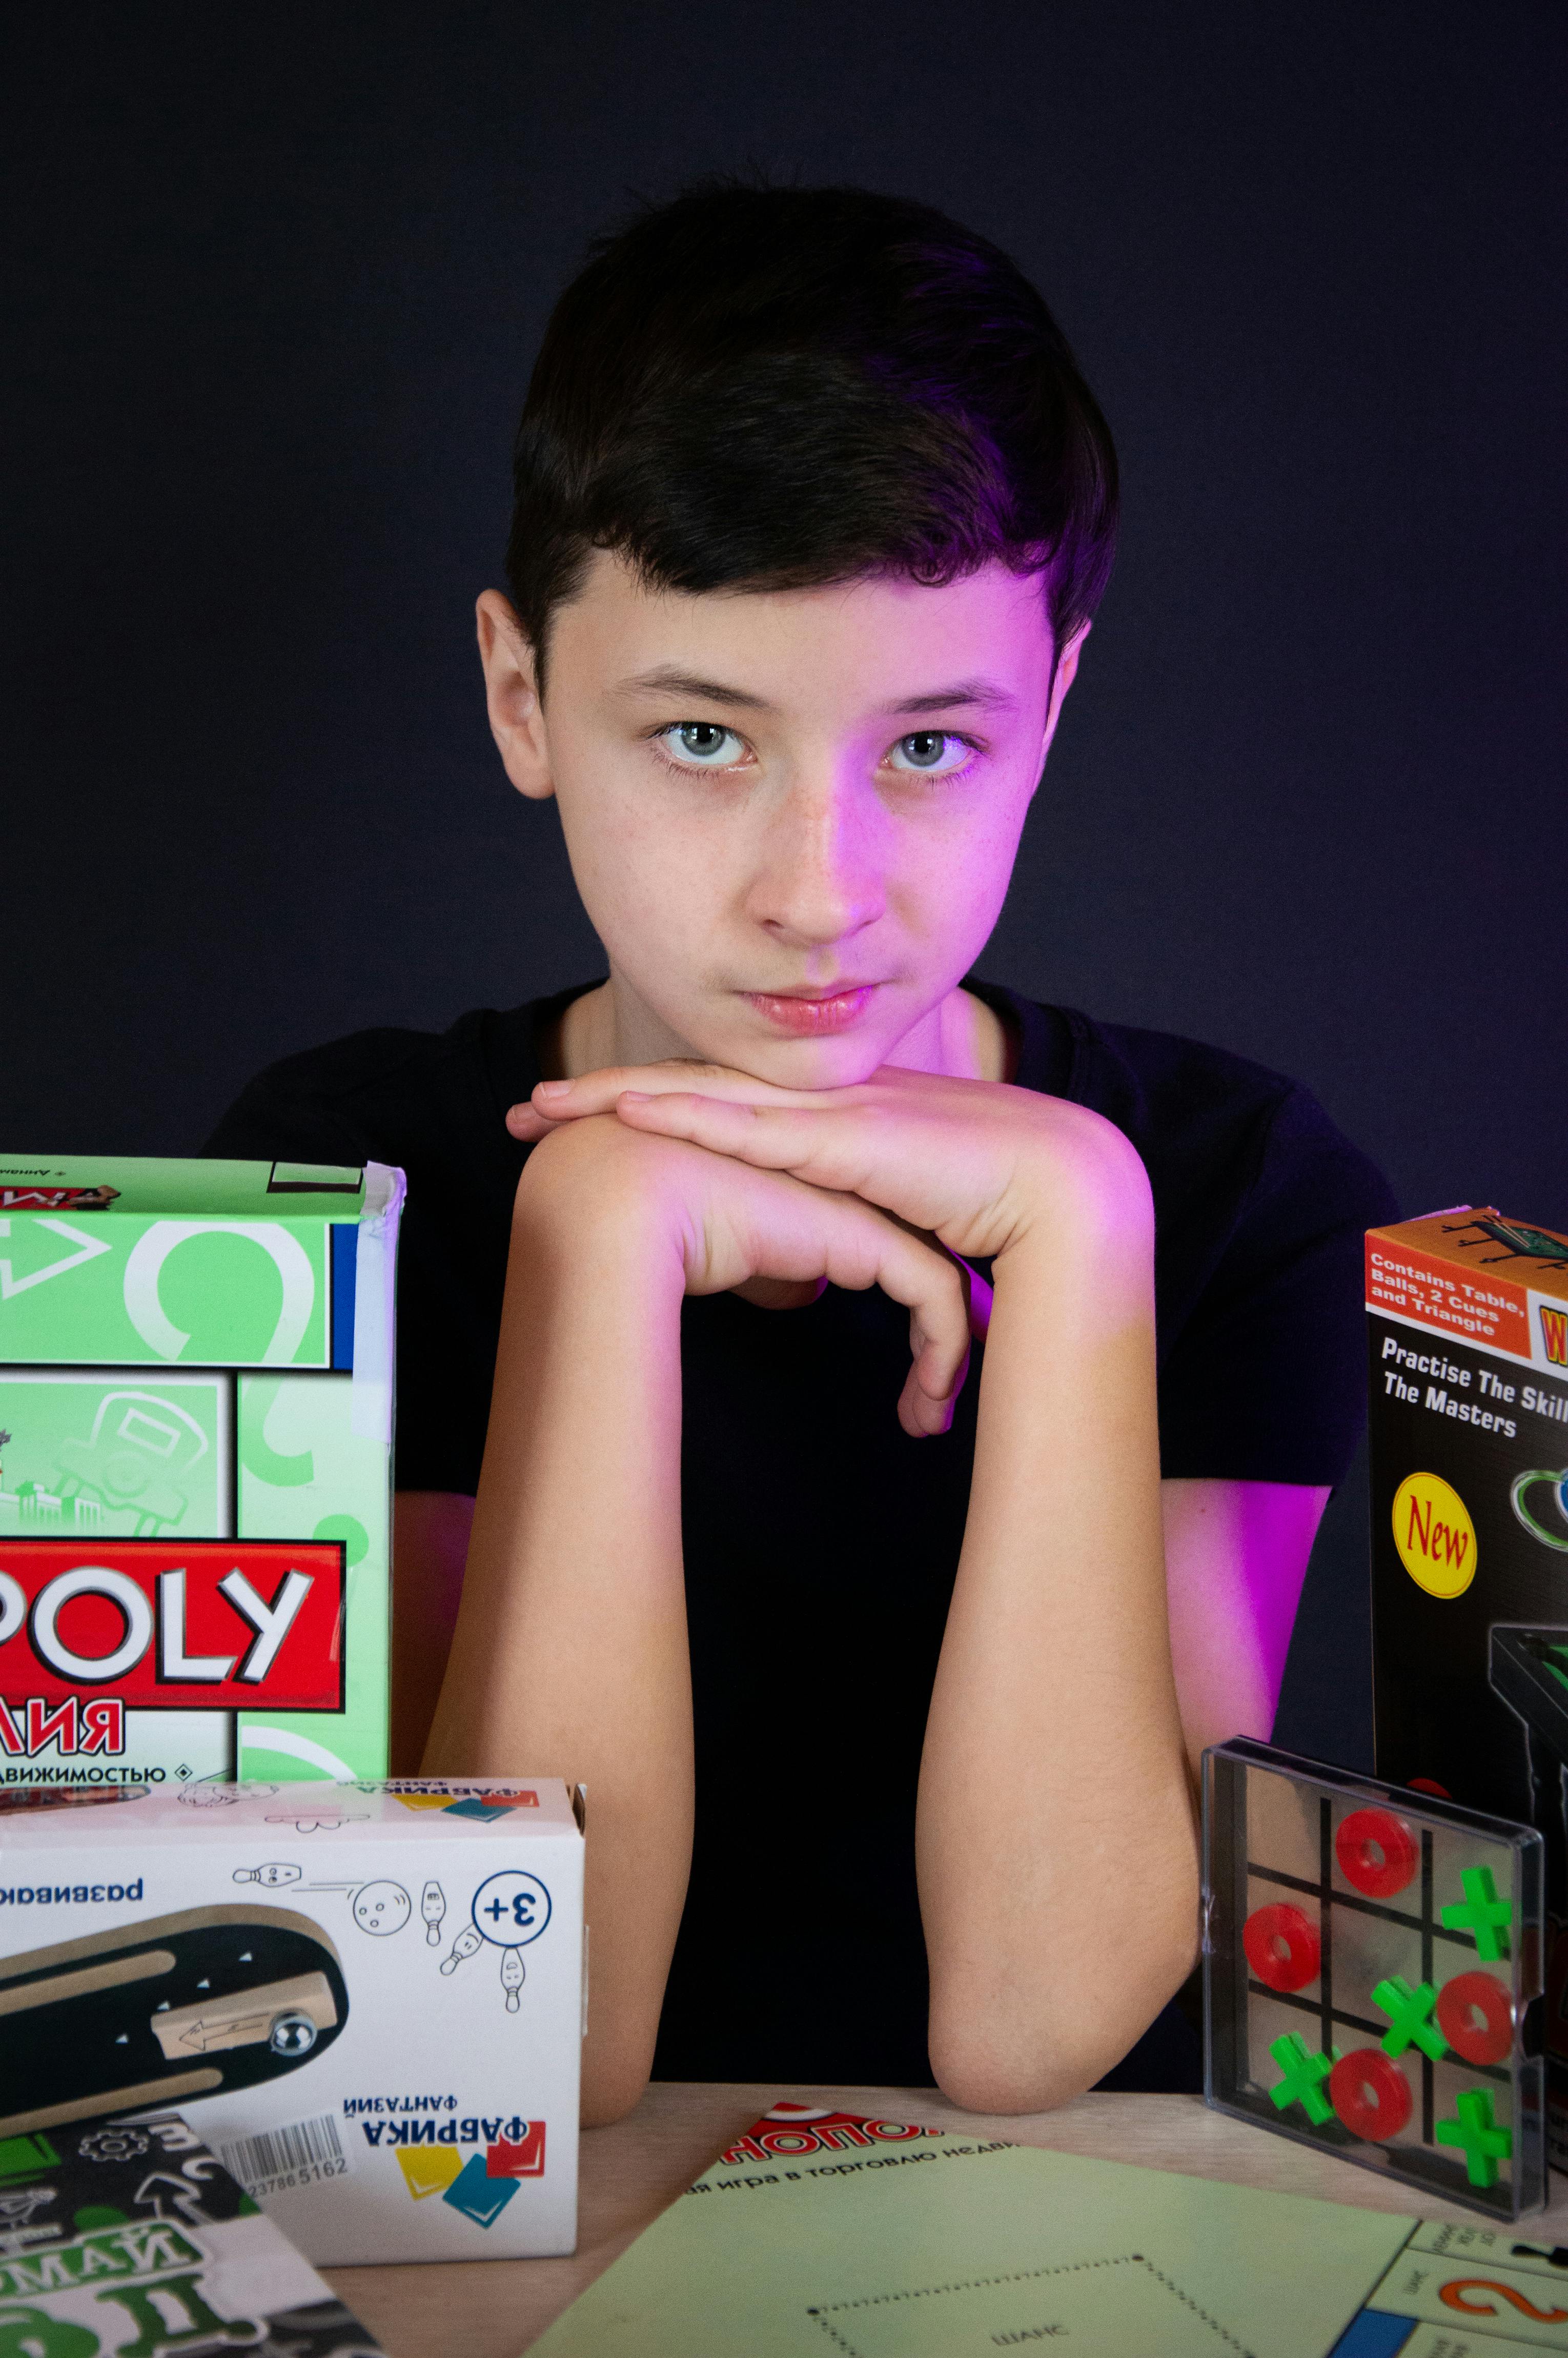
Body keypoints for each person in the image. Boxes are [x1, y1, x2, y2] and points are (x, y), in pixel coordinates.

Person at [206, 182, 1395, 2124]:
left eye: (927, 747)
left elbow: (1042, 2029)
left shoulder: (1226, 1186)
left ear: (1053, 708)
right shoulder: (346, 1192)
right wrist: (596, 1234)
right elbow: (514, 2055)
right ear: (523, 697)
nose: (817, 895)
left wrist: (1080, 1220)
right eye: (699, 738)